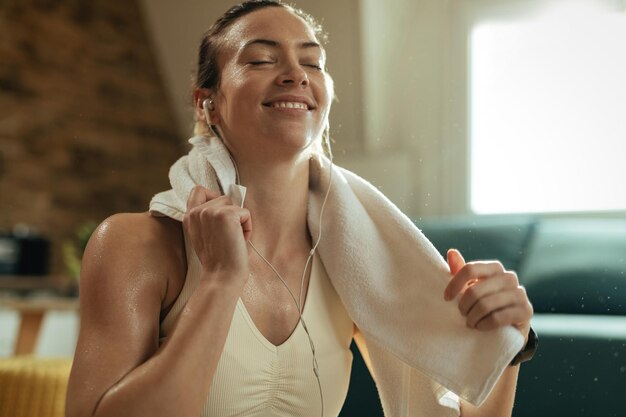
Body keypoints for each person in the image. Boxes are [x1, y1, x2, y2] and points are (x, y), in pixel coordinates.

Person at [66, 1, 534, 417]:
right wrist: (221, 281)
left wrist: (508, 340)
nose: (296, 74)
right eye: (262, 59)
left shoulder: (353, 261)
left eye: (312, 61)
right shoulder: (135, 245)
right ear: (207, 104)